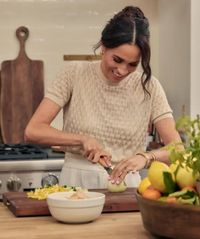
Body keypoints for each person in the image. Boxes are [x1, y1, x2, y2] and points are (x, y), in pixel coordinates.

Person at [25, 6, 181, 189]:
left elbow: (177, 149)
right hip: (76, 183)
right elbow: (33, 131)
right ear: (103, 48)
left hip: (127, 186)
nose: (122, 70)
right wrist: (82, 139)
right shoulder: (73, 74)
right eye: (117, 60)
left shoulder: (150, 87)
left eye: (133, 64)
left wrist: (146, 157)